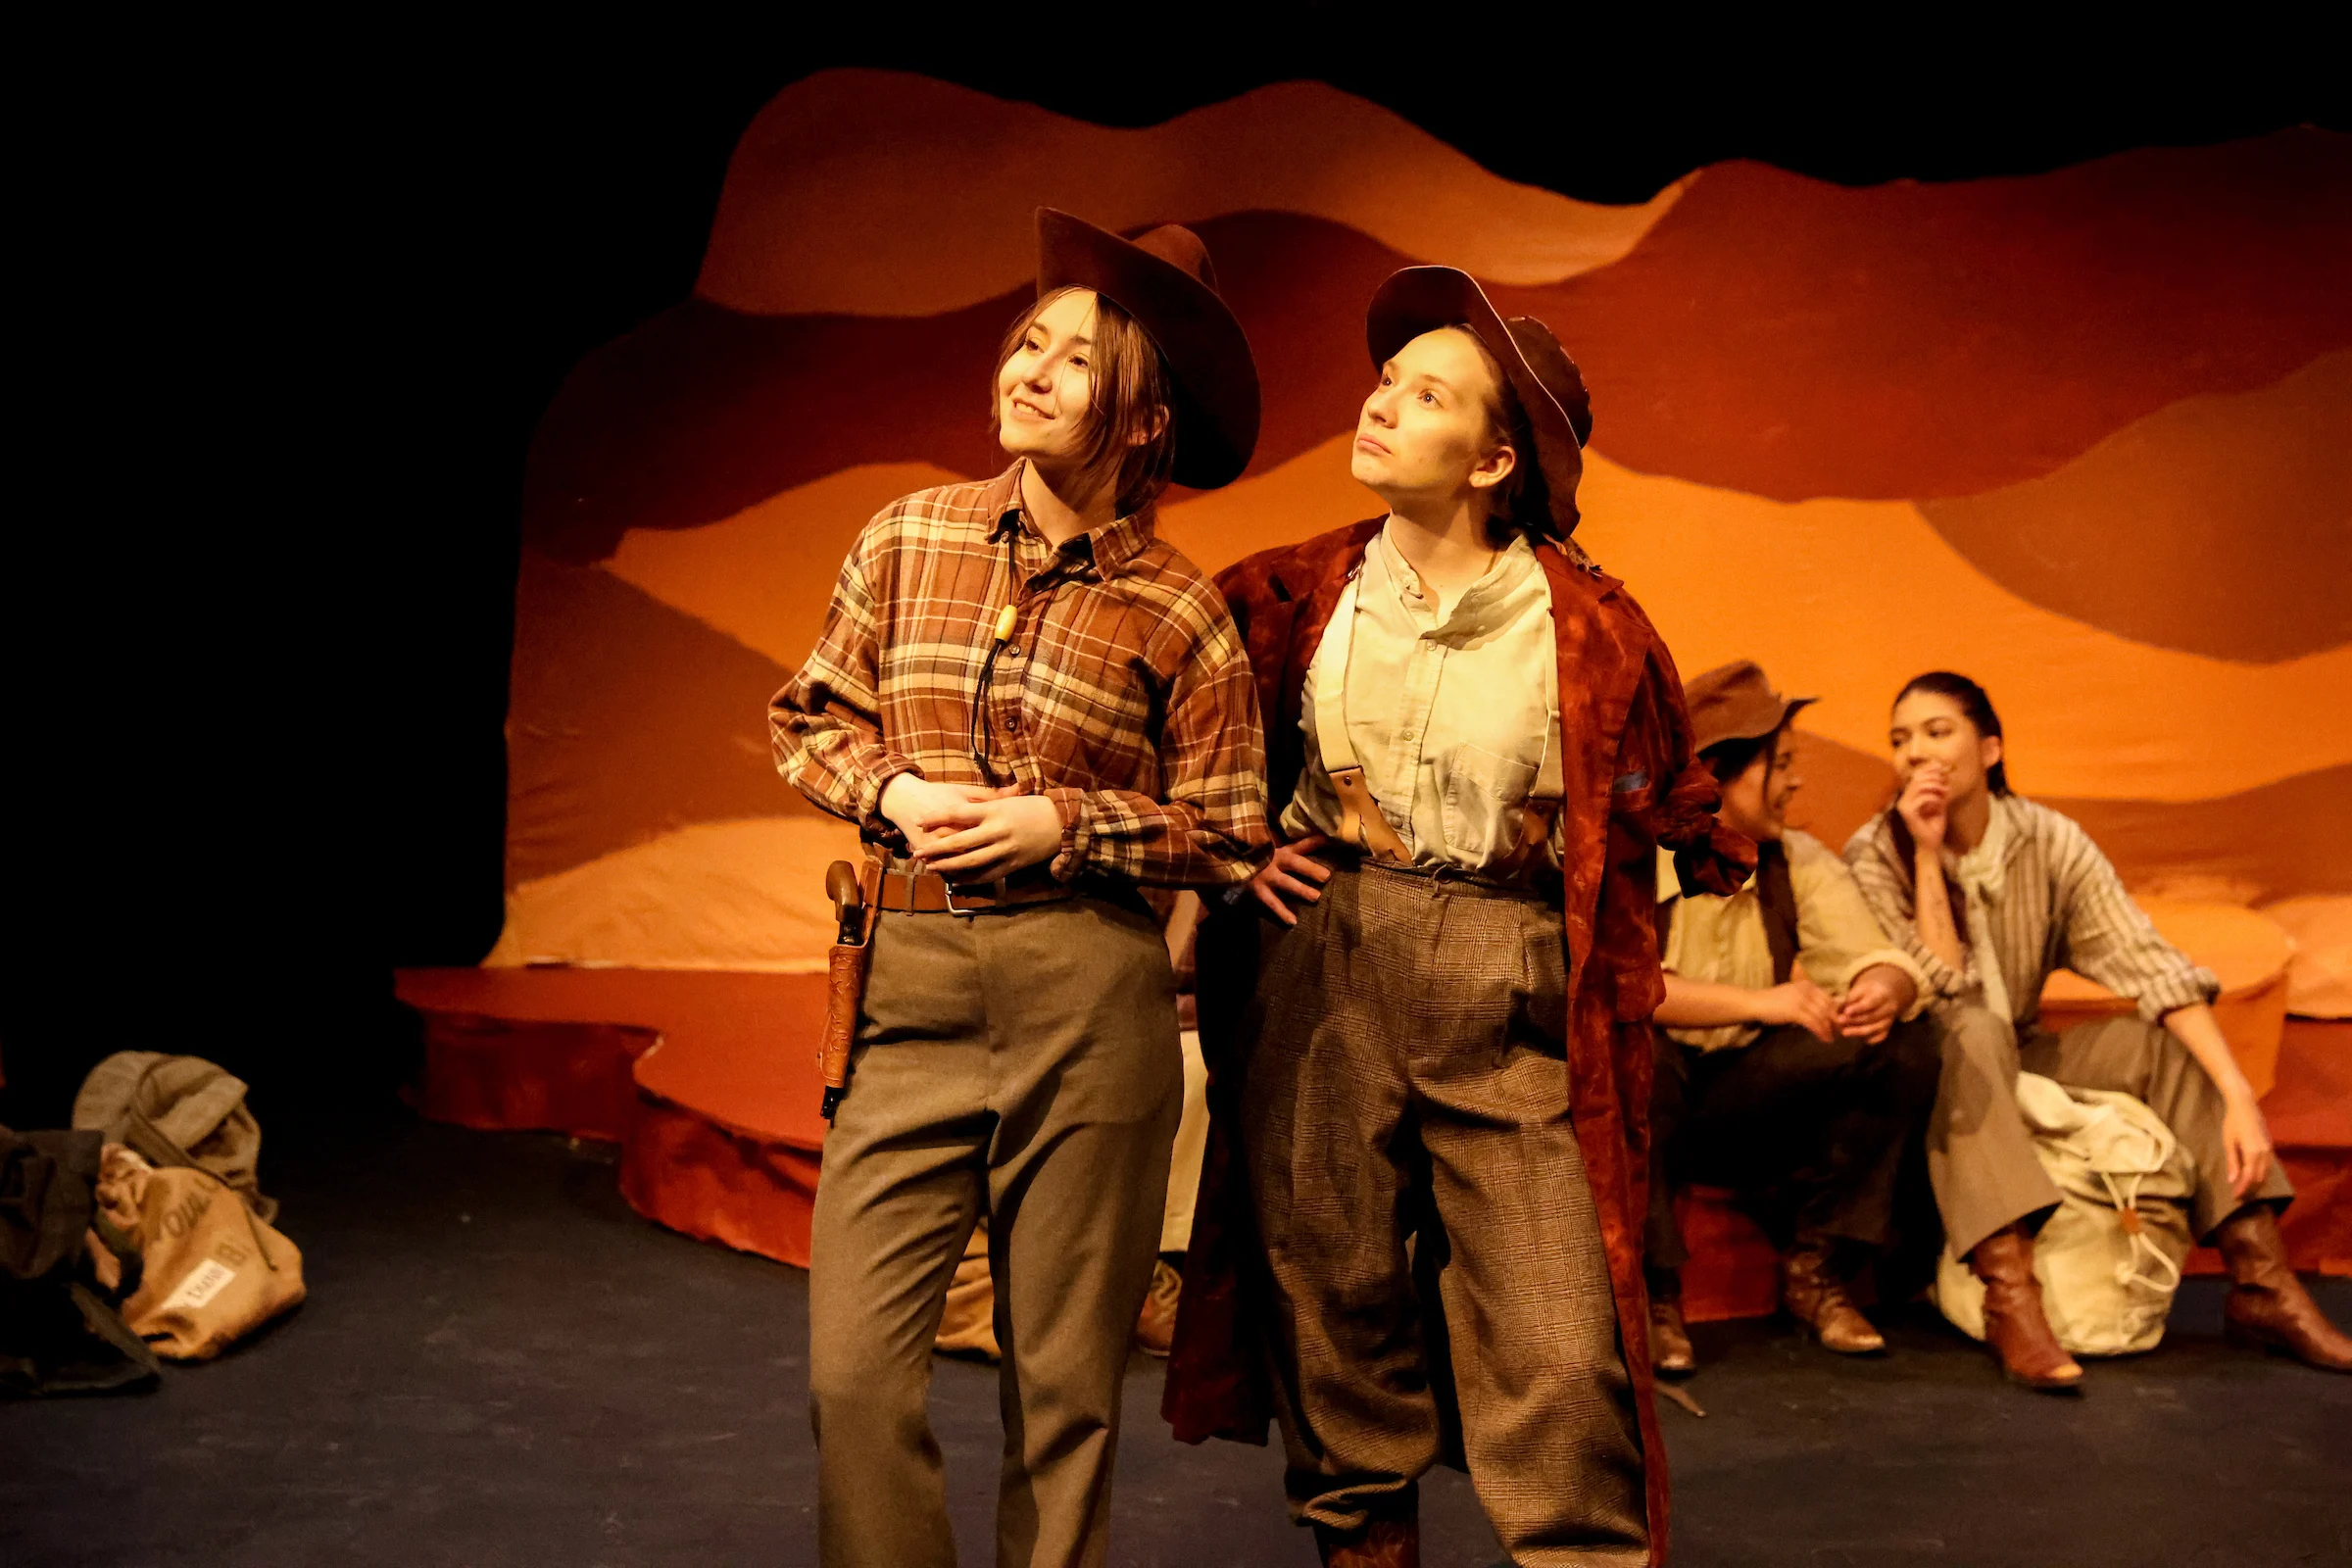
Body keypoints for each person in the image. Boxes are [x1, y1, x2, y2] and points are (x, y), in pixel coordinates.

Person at [1163, 266, 1751, 1568]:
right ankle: (1362, 1550)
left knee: (1554, 1325)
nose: (1380, 405)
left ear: (1492, 458)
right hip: (1327, 953)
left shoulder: (1587, 624)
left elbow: (1664, 787)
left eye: (1424, 394)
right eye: (1386, 381)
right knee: (1334, 1288)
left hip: (1510, 963)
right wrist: (1237, 858)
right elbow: (1193, 763)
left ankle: (1579, 1551)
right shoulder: (1287, 593)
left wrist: (1698, 846)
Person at [770, 208, 1270, 1567]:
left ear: (1144, 419)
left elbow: (1226, 835)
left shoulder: (1179, 609)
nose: (1032, 372)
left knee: (1062, 1395)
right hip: (910, 988)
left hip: (1087, 1002)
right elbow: (807, 717)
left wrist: (1069, 822)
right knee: (856, 1379)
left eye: (1077, 360)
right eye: (1028, 342)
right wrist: (895, 794)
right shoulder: (906, 536)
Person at [1845, 671, 2352, 1389]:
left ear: (1989, 749)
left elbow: (2150, 964)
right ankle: (2011, 1297)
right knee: (1974, 1029)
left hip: (2017, 1047)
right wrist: (1926, 854)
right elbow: (1944, 986)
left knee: (2153, 1046)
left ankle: (2264, 1285)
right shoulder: (1875, 852)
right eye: (1900, 740)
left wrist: (2236, 1093)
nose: (1915, 753)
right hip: (1925, 1072)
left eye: (1937, 731)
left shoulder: (2050, 841)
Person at [1643, 661, 1941, 1375]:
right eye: (1779, 766)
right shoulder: (1636, 857)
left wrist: (1883, 988)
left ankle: (1820, 1267)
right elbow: (1622, 989)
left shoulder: (1796, 859)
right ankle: (1653, 1295)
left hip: (1748, 1096)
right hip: (1654, 1104)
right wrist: (1759, 1001)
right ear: (1717, 773)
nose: (1794, 783)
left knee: (1903, 1047)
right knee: (1635, 1058)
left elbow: (1882, 958)